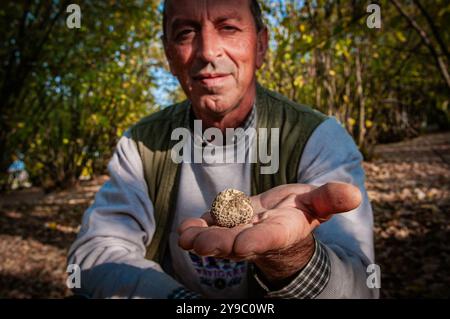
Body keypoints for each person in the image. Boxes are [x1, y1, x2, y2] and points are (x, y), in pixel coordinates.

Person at [68, 0, 378, 299]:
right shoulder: (141, 144)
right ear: (168, 54)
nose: (208, 51)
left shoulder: (318, 138)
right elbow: (93, 253)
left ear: (260, 46)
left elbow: (361, 289)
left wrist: (293, 257)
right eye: (186, 33)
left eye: (228, 27)